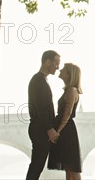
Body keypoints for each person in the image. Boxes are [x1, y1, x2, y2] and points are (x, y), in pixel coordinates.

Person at [26, 50, 61, 180]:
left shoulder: (41, 80)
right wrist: (49, 128)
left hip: (40, 128)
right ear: (48, 62)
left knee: (37, 166)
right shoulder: (38, 80)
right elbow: (40, 108)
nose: (58, 67)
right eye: (56, 63)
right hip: (40, 128)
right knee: (36, 165)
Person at [48, 63, 83, 180]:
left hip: (66, 131)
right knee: (68, 168)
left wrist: (58, 131)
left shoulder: (72, 90)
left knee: (72, 168)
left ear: (69, 74)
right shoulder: (69, 90)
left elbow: (67, 114)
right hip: (64, 129)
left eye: (63, 69)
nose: (60, 70)